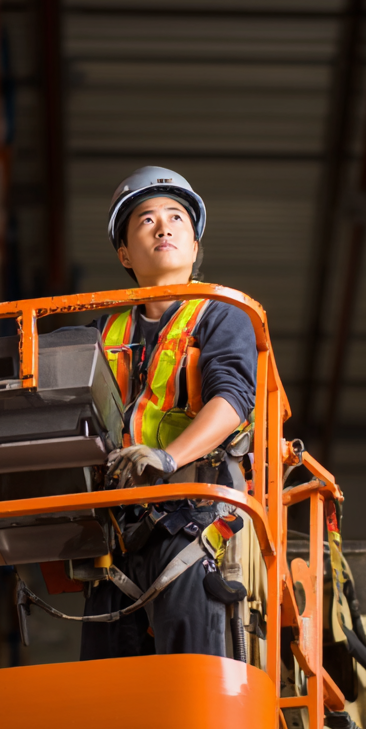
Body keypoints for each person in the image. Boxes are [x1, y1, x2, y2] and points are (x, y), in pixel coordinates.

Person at [80, 167, 257, 660]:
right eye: (147, 220)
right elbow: (25, 369)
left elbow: (232, 399)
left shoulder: (219, 314)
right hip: (114, 532)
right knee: (104, 693)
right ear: (124, 254)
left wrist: (168, 456)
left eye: (177, 217)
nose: (164, 227)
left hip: (189, 519)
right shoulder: (102, 329)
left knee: (189, 679)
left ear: (194, 246)